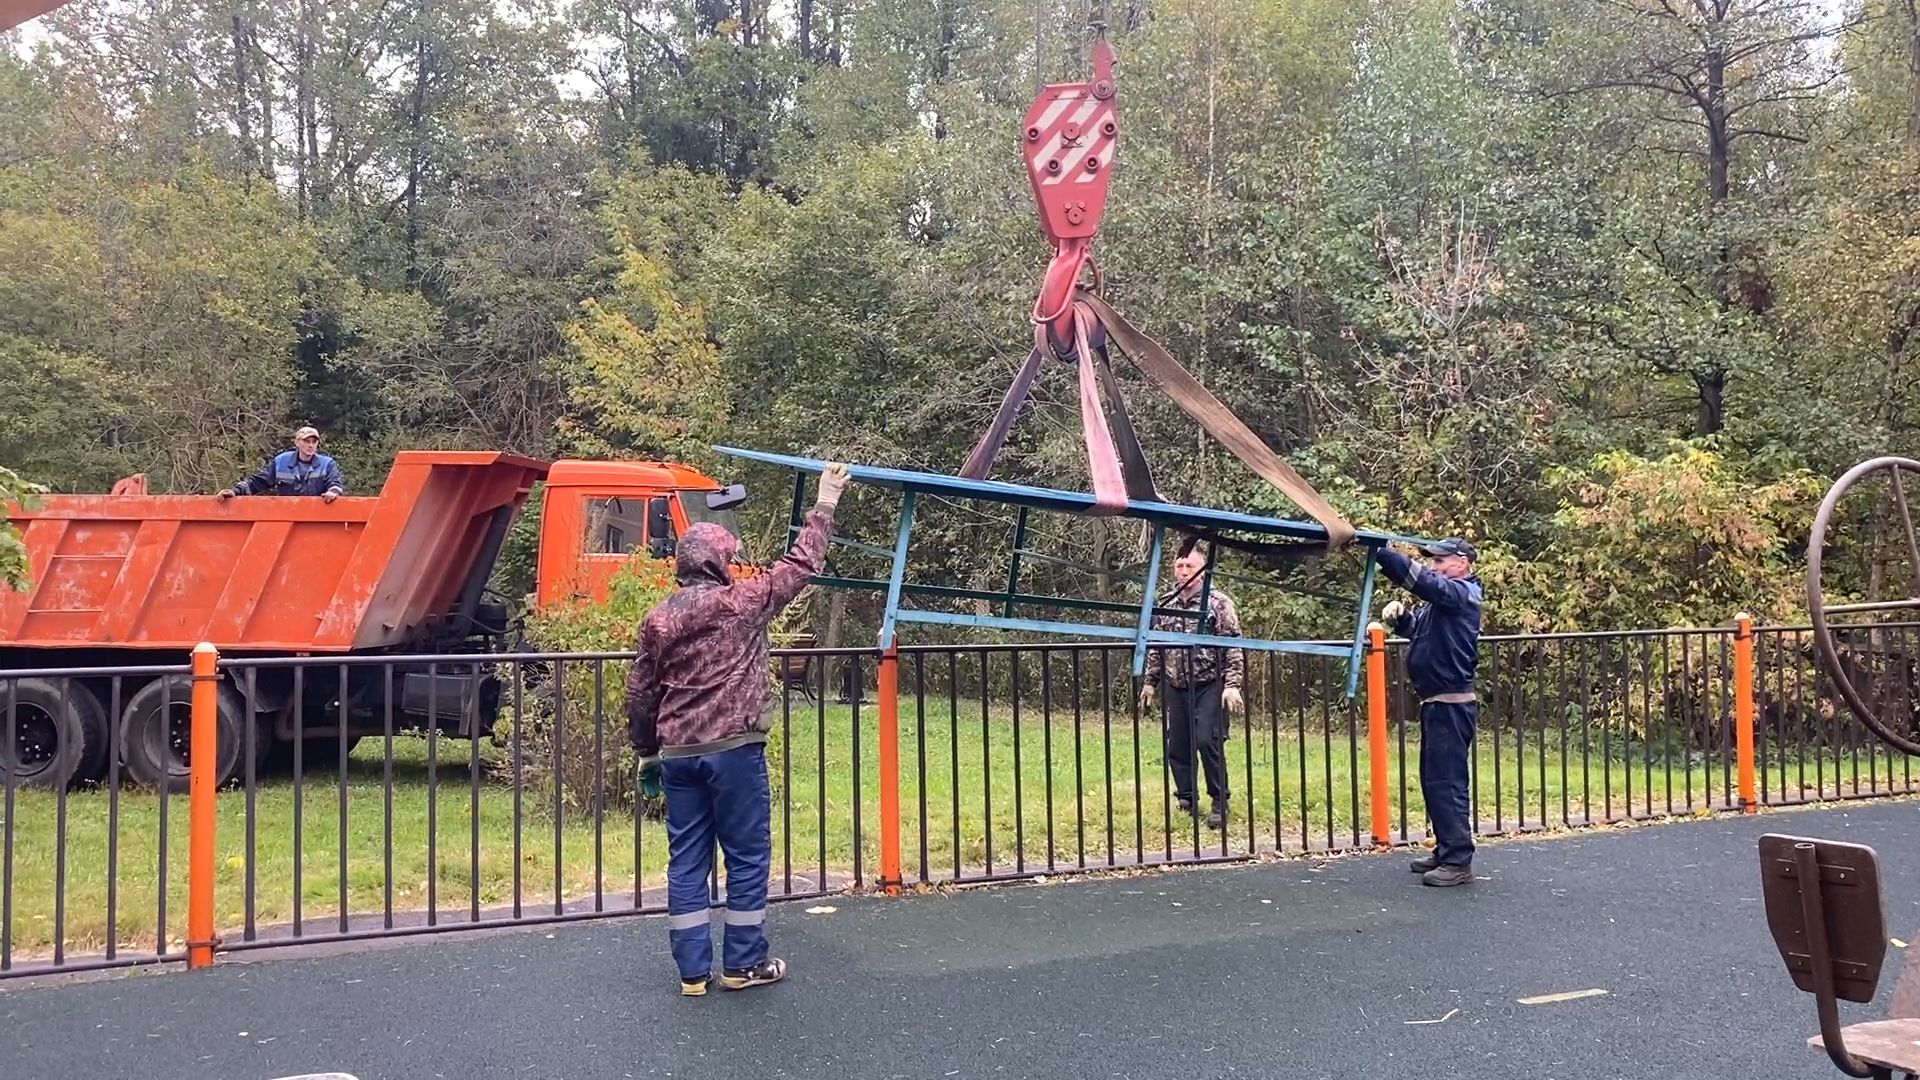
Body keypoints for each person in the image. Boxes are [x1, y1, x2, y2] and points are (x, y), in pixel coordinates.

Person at [625, 461, 850, 997]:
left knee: (687, 860)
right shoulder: (743, 602)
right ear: (722, 562)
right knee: (746, 855)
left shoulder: (658, 620)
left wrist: (646, 751)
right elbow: (800, 565)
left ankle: (692, 973)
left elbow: (640, 693)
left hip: (678, 754)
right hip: (735, 751)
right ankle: (742, 965)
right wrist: (825, 502)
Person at [1377, 537, 1484, 887]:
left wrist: (1379, 552)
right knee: (1434, 781)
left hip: (1451, 704)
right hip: (1438, 702)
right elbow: (1418, 632)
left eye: (1441, 560)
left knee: (1448, 782)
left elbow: (1424, 582)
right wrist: (1402, 620)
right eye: (1433, 561)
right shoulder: (1443, 604)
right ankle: (1445, 848)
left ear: (1463, 563)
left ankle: (1458, 860)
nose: (1436, 566)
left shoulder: (1463, 594)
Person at [1139, 541, 1245, 830]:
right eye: (1179, 566)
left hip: (1210, 683)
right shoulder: (1166, 602)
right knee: (1177, 744)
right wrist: (1151, 682)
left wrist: (1232, 685)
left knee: (1206, 740)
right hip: (1176, 684)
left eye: (1190, 566)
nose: (1184, 571)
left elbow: (1233, 645)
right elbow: (1156, 646)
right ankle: (1186, 797)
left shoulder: (1217, 603)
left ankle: (1219, 801)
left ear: (1203, 569)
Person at [219, 426, 345, 502]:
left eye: (314, 442)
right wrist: (234, 492)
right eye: (306, 441)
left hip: (318, 518)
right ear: (297, 442)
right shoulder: (281, 462)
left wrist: (332, 493)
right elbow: (258, 482)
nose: (310, 445)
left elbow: (335, 484)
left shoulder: (327, 464)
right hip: (287, 516)